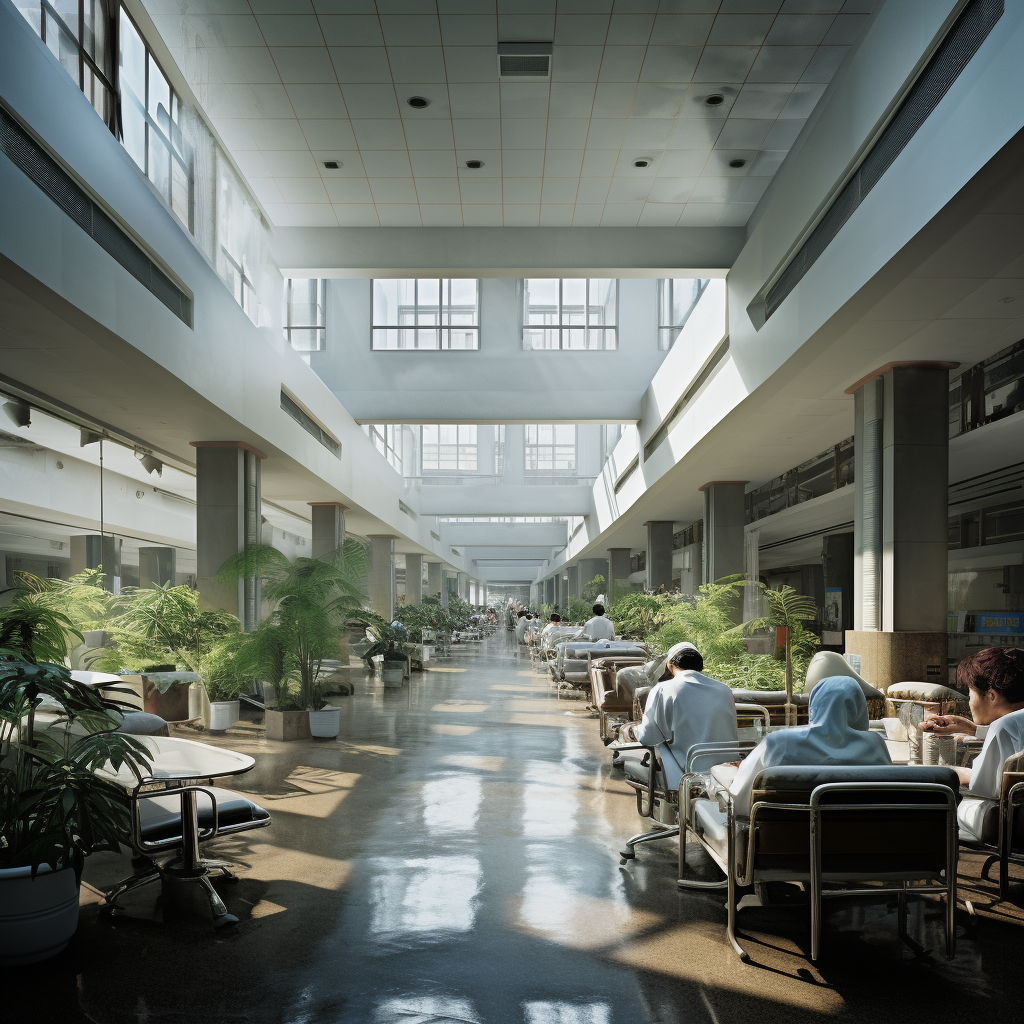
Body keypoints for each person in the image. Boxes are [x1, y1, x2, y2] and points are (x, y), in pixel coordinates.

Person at [730, 675, 891, 816]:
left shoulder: (779, 742)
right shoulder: (876, 745)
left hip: (784, 840)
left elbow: (740, 799)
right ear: (860, 708)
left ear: (814, 706)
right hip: (863, 841)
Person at [919, 647, 1024, 842]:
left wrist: (952, 772)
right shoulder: (1015, 723)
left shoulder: (1003, 726)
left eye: (970, 693)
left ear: (991, 696)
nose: (969, 701)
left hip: (1008, 824)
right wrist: (973, 729)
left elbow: (984, 788)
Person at [619, 643, 738, 791]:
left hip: (689, 771)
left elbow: (648, 736)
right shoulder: (724, 690)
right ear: (700, 666)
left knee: (644, 751)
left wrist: (631, 730)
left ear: (669, 665)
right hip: (727, 770)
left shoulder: (662, 689)